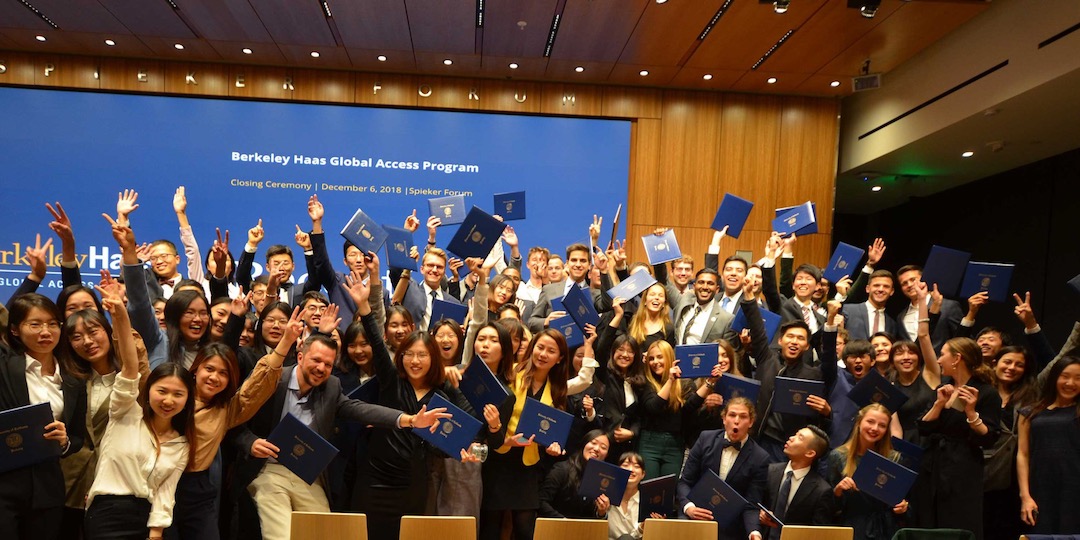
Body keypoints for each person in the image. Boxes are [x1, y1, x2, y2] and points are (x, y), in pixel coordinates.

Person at [232, 310, 450, 540]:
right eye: (316, 360)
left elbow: (361, 409)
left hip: (308, 475)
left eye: (328, 364)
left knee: (328, 533)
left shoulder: (331, 387)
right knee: (283, 535)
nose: (321, 368)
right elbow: (233, 420)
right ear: (299, 357)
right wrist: (251, 442)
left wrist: (410, 420)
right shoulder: (274, 379)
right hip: (268, 470)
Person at [342, 269, 498, 540]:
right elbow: (379, 345)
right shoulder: (391, 381)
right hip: (375, 477)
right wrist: (364, 307)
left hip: (414, 482)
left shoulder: (443, 391)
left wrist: (462, 449)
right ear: (401, 356)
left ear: (432, 359)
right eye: (409, 355)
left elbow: (455, 433)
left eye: (422, 355)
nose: (415, 361)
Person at [82, 284, 193, 540]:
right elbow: (131, 367)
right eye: (162, 391)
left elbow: (166, 493)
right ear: (149, 391)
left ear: (187, 401)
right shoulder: (126, 412)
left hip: (145, 518)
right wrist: (119, 314)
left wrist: (156, 532)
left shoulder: (182, 443)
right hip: (106, 514)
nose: (168, 400)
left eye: (178, 394)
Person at [0, 293, 83, 540]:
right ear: (15, 330)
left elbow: (77, 436)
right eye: (34, 324)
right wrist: (35, 278)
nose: (45, 331)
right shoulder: (5, 366)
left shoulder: (72, 379)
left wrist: (64, 441)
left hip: (48, 487)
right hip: (4, 484)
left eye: (52, 324)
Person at [480, 328, 572, 540]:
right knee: (491, 525)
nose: (543, 354)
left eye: (551, 351)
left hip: (527, 464)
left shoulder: (558, 389)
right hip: (500, 455)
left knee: (524, 527)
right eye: (540, 347)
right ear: (532, 349)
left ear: (559, 359)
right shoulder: (510, 374)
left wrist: (553, 447)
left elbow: (552, 433)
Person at [914, 337, 1000, 539]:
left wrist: (971, 412)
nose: (939, 359)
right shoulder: (943, 388)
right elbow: (923, 428)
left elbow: (989, 438)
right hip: (932, 465)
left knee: (959, 521)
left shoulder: (986, 392)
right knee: (928, 522)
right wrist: (939, 404)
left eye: (942, 354)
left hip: (963, 468)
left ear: (957, 358)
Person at [678, 397, 770, 540]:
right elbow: (685, 482)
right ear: (724, 419)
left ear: (751, 422)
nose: (737, 421)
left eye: (743, 416)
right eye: (732, 415)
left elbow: (751, 504)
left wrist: (754, 533)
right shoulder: (705, 439)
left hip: (729, 525)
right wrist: (689, 508)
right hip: (695, 513)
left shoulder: (760, 457)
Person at [826, 404, 909, 540]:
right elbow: (828, 507)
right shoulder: (838, 456)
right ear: (859, 422)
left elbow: (905, 505)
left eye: (882, 425)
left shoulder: (895, 458)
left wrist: (903, 507)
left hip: (885, 529)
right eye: (870, 421)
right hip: (851, 528)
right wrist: (838, 491)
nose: (875, 428)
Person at [1017, 356, 1080, 534]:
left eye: (1078, 378)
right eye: (1065, 376)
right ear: (1054, 377)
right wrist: (1025, 496)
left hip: (1075, 490)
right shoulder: (1030, 412)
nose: (1070, 383)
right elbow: (1023, 454)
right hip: (1040, 491)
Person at [639, 340, 713, 479]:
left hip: (675, 444)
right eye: (651, 358)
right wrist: (670, 380)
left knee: (669, 490)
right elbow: (654, 407)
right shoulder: (646, 381)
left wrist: (710, 382)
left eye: (660, 357)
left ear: (669, 357)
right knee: (650, 488)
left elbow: (689, 409)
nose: (655, 362)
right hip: (650, 443)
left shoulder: (685, 383)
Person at [754, 426, 834, 540]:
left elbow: (818, 533)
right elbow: (753, 503)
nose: (791, 438)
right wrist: (760, 514)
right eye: (795, 434)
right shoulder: (770, 471)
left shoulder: (821, 490)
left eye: (800, 437)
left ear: (810, 453)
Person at [538, 430, 613, 519]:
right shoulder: (562, 469)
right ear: (584, 444)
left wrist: (601, 513)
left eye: (603, 447)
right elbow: (541, 502)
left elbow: (594, 518)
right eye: (593, 443)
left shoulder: (602, 480)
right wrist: (564, 522)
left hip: (584, 530)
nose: (596, 449)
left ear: (606, 454)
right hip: (555, 527)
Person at [528, 243, 596, 333]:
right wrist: (546, 321)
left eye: (583, 261)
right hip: (554, 343)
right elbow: (532, 322)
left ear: (589, 265)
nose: (578, 264)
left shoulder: (595, 294)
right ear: (567, 263)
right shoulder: (548, 290)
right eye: (574, 260)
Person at [672, 268, 737, 347]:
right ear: (694, 286)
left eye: (710, 283)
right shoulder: (683, 306)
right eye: (701, 282)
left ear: (717, 290)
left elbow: (730, 354)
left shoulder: (727, 319)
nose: (705, 287)